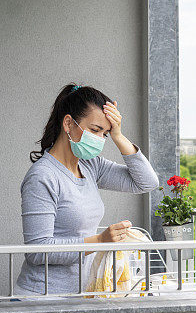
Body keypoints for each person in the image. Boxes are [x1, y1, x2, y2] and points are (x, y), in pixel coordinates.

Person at [13, 83, 159, 301]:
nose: (100, 140)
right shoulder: (42, 176)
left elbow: (146, 182)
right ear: (69, 123)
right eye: (95, 130)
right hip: (42, 298)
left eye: (105, 134)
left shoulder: (90, 165)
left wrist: (119, 136)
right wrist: (100, 241)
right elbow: (38, 251)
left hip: (82, 294)